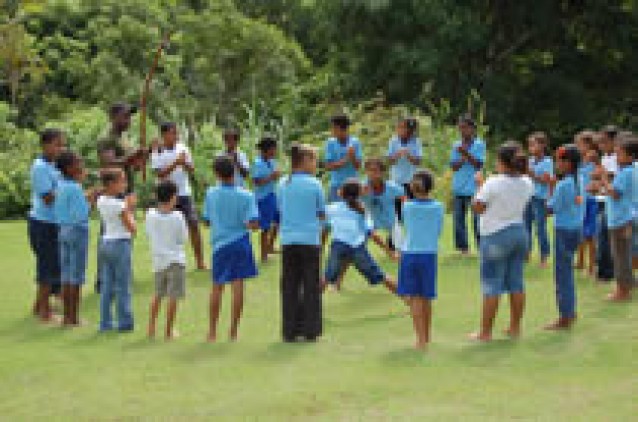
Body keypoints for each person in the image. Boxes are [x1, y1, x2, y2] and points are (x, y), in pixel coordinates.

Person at [470, 142, 533, 341]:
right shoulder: (527, 182)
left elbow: (478, 207)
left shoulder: (493, 182)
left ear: (502, 162)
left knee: (491, 284)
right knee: (516, 282)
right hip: (519, 233)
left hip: (495, 235)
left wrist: (479, 185)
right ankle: (515, 327)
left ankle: (485, 332)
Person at [202, 156, 259, 342]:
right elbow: (253, 223)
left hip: (220, 245)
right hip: (240, 242)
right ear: (234, 171)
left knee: (217, 288)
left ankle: (212, 331)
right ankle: (233, 330)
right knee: (238, 288)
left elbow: (207, 219)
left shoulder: (211, 193)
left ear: (217, 174)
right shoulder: (247, 195)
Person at [277, 144, 326, 342]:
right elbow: (321, 212)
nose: (315, 164)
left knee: (290, 285)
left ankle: (289, 330)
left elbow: (281, 208)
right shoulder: (315, 184)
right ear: (304, 161)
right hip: (309, 240)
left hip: (288, 240)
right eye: (313, 160)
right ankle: (310, 329)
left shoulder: (282, 183)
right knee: (310, 285)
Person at [95, 102, 145, 292]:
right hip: (113, 192)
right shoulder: (106, 138)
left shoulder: (123, 138)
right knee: (109, 234)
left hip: (126, 190)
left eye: (129, 117)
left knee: (125, 233)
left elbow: (131, 163)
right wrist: (134, 157)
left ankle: (120, 274)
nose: (128, 120)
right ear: (113, 117)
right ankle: (103, 279)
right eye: (124, 116)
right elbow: (110, 163)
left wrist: (141, 158)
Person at [322, 179, 399, 294]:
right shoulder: (362, 211)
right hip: (357, 248)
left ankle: (307, 306)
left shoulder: (332, 208)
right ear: (359, 194)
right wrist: (389, 251)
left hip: (338, 247)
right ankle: (409, 299)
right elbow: (372, 234)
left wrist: (320, 246)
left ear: (341, 193)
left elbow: (324, 226)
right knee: (381, 276)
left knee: (326, 278)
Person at [397, 170, 444, 350]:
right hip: (429, 253)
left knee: (415, 297)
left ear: (412, 186)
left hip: (410, 253)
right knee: (426, 297)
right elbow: (438, 229)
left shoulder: (407, 206)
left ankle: (420, 339)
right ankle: (427, 335)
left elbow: (406, 226)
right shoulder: (438, 206)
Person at [150, 122, 206, 270]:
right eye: (173, 133)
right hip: (166, 195)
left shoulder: (183, 148)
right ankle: (166, 262)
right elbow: (159, 174)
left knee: (193, 224)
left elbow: (191, 168)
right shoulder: (157, 151)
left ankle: (200, 261)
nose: (176, 136)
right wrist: (176, 162)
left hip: (184, 192)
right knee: (166, 227)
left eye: (177, 133)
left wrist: (185, 164)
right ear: (164, 134)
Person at [545, 145, 584, 330]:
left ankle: (565, 316)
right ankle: (570, 311)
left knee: (562, 275)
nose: (556, 164)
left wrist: (551, 187)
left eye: (559, 160)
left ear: (568, 163)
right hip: (576, 229)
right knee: (567, 273)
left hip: (563, 231)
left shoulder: (563, 185)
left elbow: (551, 208)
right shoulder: (580, 180)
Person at [54, 151, 95, 327]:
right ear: (70, 168)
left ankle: (66, 318)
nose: (82, 166)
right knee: (76, 276)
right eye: (79, 163)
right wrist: (91, 201)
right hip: (77, 230)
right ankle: (74, 318)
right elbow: (81, 213)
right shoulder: (75, 187)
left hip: (63, 229)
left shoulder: (61, 184)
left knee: (66, 275)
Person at [28, 128, 65, 322]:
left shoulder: (55, 165)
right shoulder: (40, 167)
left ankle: (38, 306)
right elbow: (48, 198)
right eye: (57, 144)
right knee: (47, 267)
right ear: (45, 145)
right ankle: (45, 312)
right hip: (43, 223)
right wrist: (68, 191)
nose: (61, 148)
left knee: (53, 265)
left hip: (54, 222)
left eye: (62, 144)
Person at [596, 136, 637, 302]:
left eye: (620, 154)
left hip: (620, 219)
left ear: (631, 156)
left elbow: (615, 193)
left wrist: (604, 178)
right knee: (623, 255)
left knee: (620, 257)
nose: (617, 157)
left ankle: (623, 291)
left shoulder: (626, 172)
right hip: (623, 217)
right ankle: (626, 285)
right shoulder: (630, 170)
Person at [146, 180, 188, 340]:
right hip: (175, 260)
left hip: (158, 260)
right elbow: (183, 238)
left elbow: (150, 234)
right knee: (173, 296)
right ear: (173, 197)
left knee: (157, 294)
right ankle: (169, 330)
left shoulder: (150, 215)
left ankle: (151, 327)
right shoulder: (177, 216)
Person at [96, 168, 136, 332]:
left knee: (107, 285)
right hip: (120, 243)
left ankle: (105, 322)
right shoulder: (119, 205)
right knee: (123, 285)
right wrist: (130, 208)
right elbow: (132, 227)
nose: (125, 184)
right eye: (122, 181)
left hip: (105, 243)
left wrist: (126, 206)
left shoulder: (101, 200)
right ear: (112, 184)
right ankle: (125, 322)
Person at [450, 114, 486, 255]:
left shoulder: (479, 144)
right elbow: (453, 166)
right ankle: (463, 248)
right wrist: (463, 157)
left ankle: (481, 247)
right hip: (458, 187)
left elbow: (479, 164)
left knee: (477, 220)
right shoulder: (456, 145)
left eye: (465, 127)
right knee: (458, 220)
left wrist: (465, 154)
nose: (462, 131)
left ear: (472, 129)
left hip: (474, 187)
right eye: (460, 128)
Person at [361, 158, 405, 251]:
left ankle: (394, 247)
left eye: (376, 170)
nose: (372, 173)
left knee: (400, 246)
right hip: (370, 219)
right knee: (358, 242)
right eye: (370, 170)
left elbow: (405, 200)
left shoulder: (392, 187)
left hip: (390, 219)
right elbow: (347, 198)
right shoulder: (361, 187)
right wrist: (360, 194)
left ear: (382, 172)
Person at [252, 136, 281, 262]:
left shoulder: (273, 162)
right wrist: (271, 177)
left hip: (272, 195)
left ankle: (270, 246)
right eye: (274, 149)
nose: (275, 151)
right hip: (263, 198)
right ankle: (264, 254)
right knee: (265, 227)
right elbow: (256, 181)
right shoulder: (258, 163)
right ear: (267, 149)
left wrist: (275, 177)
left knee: (279, 220)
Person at [594, 125, 618, 282]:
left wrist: (602, 175)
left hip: (612, 202)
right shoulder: (605, 157)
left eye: (604, 141)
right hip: (602, 199)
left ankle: (607, 271)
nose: (601, 145)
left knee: (606, 236)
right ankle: (603, 270)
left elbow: (611, 177)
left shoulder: (618, 158)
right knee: (601, 235)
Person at [525, 131, 553, 267]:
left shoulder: (547, 162)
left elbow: (546, 180)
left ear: (542, 146)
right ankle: (526, 253)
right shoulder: (530, 161)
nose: (531, 148)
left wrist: (533, 175)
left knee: (540, 228)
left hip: (540, 198)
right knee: (526, 226)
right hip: (528, 196)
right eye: (529, 145)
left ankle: (544, 257)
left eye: (533, 145)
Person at [386, 117, 423, 219]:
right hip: (396, 181)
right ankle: (394, 233)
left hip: (411, 181)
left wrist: (408, 155)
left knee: (411, 210)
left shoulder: (416, 142)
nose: (400, 130)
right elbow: (389, 161)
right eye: (399, 127)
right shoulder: (393, 141)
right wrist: (397, 155)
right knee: (396, 211)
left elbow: (418, 161)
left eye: (403, 127)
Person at [575, 131, 600, 278]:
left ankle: (592, 266)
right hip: (581, 200)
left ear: (589, 146)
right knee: (581, 231)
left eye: (580, 144)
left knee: (590, 235)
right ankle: (580, 260)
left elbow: (597, 179)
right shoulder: (580, 162)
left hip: (591, 201)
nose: (578, 147)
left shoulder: (594, 162)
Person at [324, 114, 363, 203]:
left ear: (340, 128)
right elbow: (328, 166)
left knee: (354, 212)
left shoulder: (355, 142)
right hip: (336, 185)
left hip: (353, 186)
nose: (332, 130)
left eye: (333, 128)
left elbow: (358, 166)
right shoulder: (330, 143)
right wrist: (345, 159)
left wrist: (352, 157)